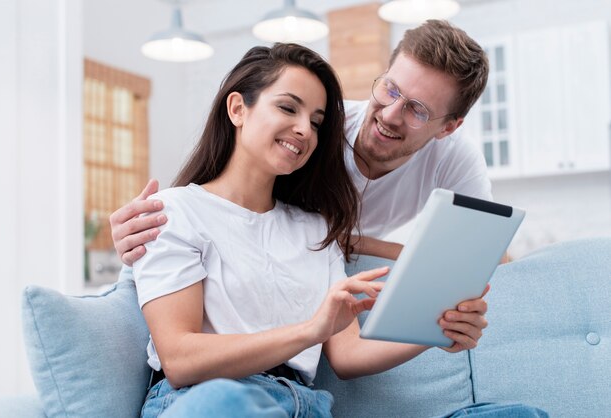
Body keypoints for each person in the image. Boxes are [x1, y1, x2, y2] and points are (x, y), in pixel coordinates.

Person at [132, 43, 492, 418]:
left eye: (317, 122)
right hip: (211, 399)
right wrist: (309, 330)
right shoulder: (175, 211)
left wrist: (437, 328)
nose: (304, 129)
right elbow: (179, 359)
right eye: (288, 108)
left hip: (303, 406)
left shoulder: (316, 230)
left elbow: (349, 355)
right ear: (238, 108)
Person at [110, 20, 493, 264]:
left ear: (448, 128)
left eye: (418, 110)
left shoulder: (456, 158)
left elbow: (479, 256)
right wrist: (149, 233)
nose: (391, 114)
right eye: (390, 89)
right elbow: (235, 202)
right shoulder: (319, 132)